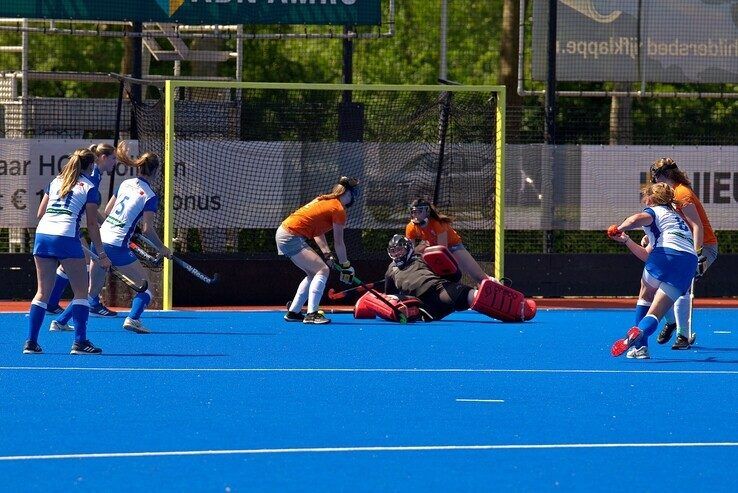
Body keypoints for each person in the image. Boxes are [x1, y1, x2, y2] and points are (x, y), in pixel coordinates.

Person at [51, 142, 170, 335]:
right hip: (117, 246)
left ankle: (60, 321)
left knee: (90, 292)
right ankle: (133, 319)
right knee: (146, 288)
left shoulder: (126, 183)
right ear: (155, 172)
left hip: (100, 239)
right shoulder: (150, 196)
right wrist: (163, 249)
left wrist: (126, 226)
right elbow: (148, 229)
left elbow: (107, 211)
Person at [24, 148, 111, 355]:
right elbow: (91, 223)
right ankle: (80, 343)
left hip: (43, 235)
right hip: (65, 235)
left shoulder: (55, 182)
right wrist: (102, 254)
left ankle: (31, 343)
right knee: (81, 292)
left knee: (42, 292)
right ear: (91, 167)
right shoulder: (90, 187)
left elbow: (40, 213)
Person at [609, 182, 698, 360]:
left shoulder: (654, 211)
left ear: (651, 199)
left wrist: (619, 228)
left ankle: (641, 348)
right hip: (688, 262)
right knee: (655, 313)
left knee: (645, 296)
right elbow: (647, 255)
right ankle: (640, 332)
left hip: (665, 255)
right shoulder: (677, 219)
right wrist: (626, 240)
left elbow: (635, 219)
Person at [381, 234, 535, 322]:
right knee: (394, 301)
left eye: (400, 250)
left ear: (408, 249)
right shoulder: (390, 271)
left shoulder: (422, 257)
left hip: (440, 292)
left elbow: (453, 274)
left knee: (474, 296)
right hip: (423, 306)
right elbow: (388, 296)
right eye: (394, 251)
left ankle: (518, 308)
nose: (397, 254)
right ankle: (415, 313)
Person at [648, 157, 718, 349]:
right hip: (682, 246)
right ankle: (671, 323)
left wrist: (696, 254)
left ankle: (683, 336)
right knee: (662, 285)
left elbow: (697, 226)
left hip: (703, 246)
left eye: (656, 176)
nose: (654, 181)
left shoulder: (682, 194)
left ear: (665, 175)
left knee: (681, 287)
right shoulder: (670, 194)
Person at [46, 143, 119, 317]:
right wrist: (102, 247)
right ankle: (88, 302)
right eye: (113, 158)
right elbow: (89, 214)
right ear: (103, 158)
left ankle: (52, 303)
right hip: (68, 226)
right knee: (84, 260)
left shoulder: (96, 175)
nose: (115, 163)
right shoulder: (92, 176)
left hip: (62, 227)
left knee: (69, 263)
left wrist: (106, 223)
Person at [276, 176, 359, 324]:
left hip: (285, 233)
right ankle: (312, 314)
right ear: (348, 194)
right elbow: (339, 242)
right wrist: (346, 265)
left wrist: (327, 254)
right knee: (323, 270)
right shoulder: (338, 209)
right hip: (290, 236)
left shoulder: (324, 200)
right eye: (355, 192)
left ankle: (294, 312)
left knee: (313, 273)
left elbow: (317, 231)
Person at [404, 199, 496, 286]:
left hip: (452, 247)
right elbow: (410, 250)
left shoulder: (438, 223)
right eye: (413, 212)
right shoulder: (410, 227)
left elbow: (442, 249)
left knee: (479, 276)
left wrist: (425, 252)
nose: (416, 215)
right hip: (431, 246)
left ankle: (495, 286)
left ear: (427, 211)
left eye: (419, 212)